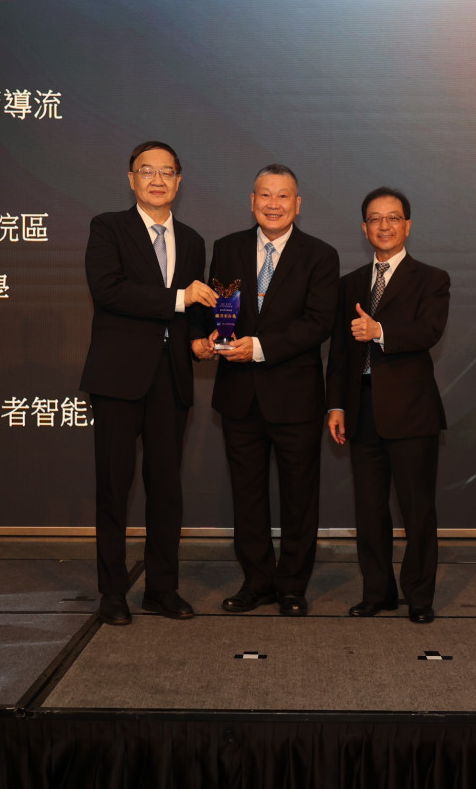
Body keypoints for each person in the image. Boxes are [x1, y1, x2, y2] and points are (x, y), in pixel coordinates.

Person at [79, 141, 217, 626]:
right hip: (118, 377)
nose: (157, 180)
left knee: (166, 489)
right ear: (131, 179)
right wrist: (179, 298)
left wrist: (201, 341)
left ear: (179, 181)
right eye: (147, 171)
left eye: (167, 172)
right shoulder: (108, 227)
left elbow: (194, 312)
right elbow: (109, 291)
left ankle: (162, 588)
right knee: (114, 488)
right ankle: (113, 592)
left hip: (172, 379)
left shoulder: (193, 240)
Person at [203, 164, 339, 617]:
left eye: (283, 196)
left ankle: (293, 586)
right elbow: (220, 309)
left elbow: (319, 323)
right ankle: (257, 581)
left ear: (297, 204)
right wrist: (211, 336)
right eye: (265, 195)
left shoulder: (320, 255)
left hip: (295, 397)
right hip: (238, 395)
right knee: (248, 496)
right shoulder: (226, 248)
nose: (273, 204)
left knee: (299, 497)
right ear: (252, 200)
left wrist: (259, 347)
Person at [325, 187, 450, 624]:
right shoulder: (349, 284)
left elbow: (429, 331)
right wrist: (336, 405)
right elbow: (339, 351)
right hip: (360, 410)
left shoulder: (431, 278)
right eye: (375, 219)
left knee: (417, 511)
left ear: (407, 226)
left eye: (393, 218)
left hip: (411, 411)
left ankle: (419, 597)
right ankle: (377, 593)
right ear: (364, 229)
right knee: (369, 510)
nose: (384, 226)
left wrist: (379, 331)